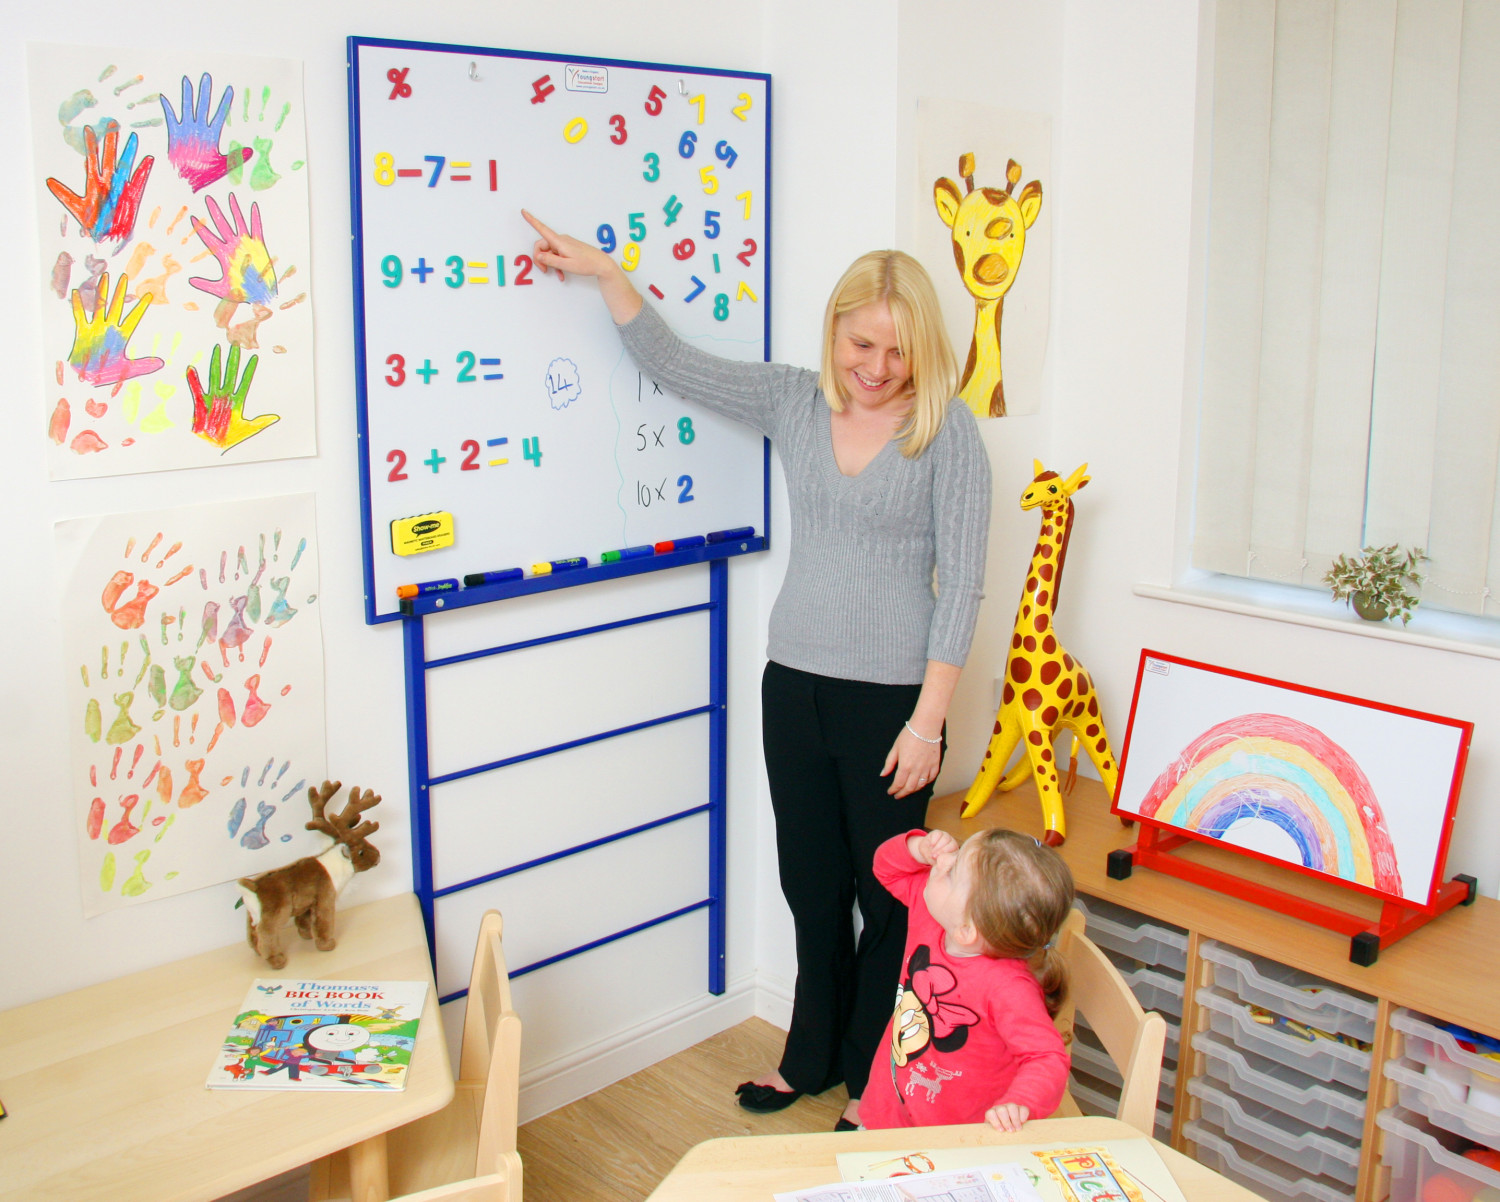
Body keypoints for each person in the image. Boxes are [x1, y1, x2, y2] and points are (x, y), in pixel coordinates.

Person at [522, 211, 991, 1130]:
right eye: (863, 342)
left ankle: (877, 1083)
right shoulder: (795, 401)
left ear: (924, 350)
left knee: (890, 902)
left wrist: (928, 722)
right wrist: (609, 273)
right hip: (794, 687)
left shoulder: (949, 433)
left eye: (899, 350)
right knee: (810, 887)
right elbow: (674, 363)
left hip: (894, 703)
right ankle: (808, 1055)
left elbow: (964, 586)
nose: (878, 365)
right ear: (836, 330)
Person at [858, 827, 1074, 1131]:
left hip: (955, 1139)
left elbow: (1046, 1057)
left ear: (967, 931)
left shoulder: (1009, 988)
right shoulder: (934, 910)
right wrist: (918, 848)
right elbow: (886, 868)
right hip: (887, 1109)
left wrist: (1019, 1103)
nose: (944, 861)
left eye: (954, 868)